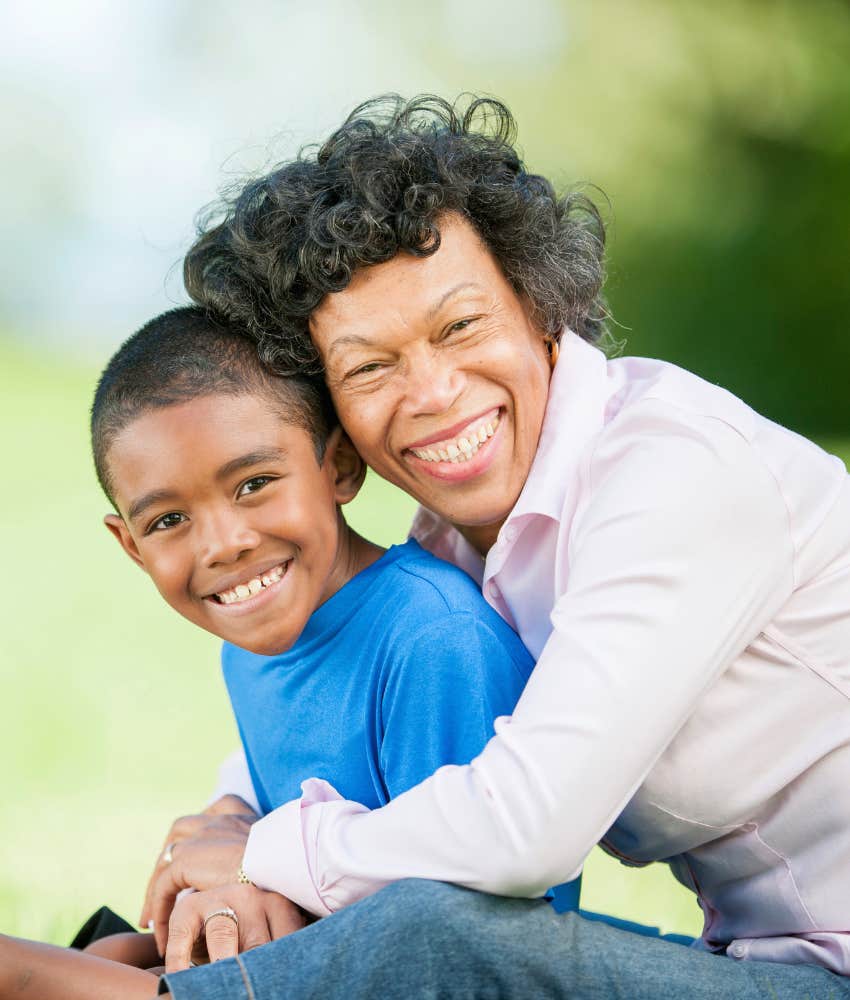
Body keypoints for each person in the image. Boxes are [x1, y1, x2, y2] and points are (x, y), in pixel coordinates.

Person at [148, 95, 850, 999]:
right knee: (413, 919)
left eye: (461, 327)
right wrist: (226, 825)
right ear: (330, 423)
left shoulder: (675, 473)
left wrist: (264, 850)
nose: (434, 393)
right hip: (771, 963)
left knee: (438, 931)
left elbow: (528, 829)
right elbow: (336, 724)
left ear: (541, 310)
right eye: (369, 366)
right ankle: (135, 969)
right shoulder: (455, 543)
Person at [0, 305, 571, 999]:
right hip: (330, 953)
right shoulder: (252, 646)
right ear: (131, 546)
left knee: (27, 974)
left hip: (451, 976)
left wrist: (252, 887)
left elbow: (460, 937)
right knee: (120, 946)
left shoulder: (432, 640)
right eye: (169, 520)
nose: (222, 545)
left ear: (338, 466)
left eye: (253, 485)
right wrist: (235, 882)